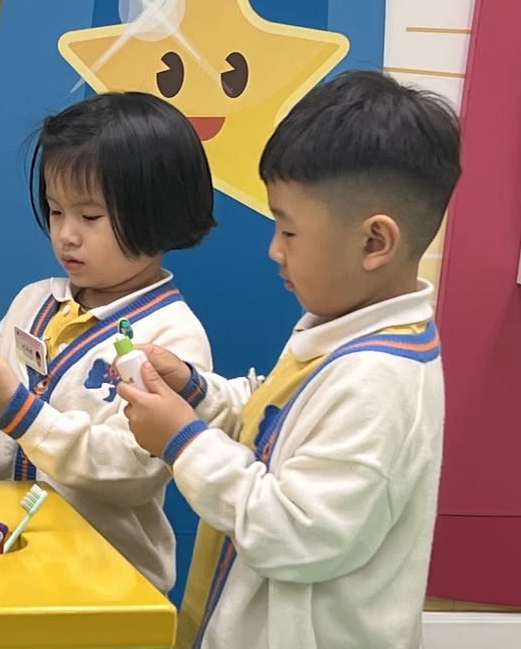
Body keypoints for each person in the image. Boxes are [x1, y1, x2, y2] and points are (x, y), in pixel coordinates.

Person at [119, 70, 460, 649]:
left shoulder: (378, 380)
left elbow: (296, 533)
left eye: (290, 231)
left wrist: (183, 443)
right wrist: (197, 391)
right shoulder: (342, 328)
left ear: (375, 242)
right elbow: (275, 424)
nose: (274, 249)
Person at [0, 92, 216, 591]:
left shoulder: (172, 336)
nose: (66, 235)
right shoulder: (34, 300)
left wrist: (14, 406)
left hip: (105, 585)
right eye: (57, 211)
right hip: (9, 562)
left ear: (158, 213)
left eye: (90, 217)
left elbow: (132, 471)